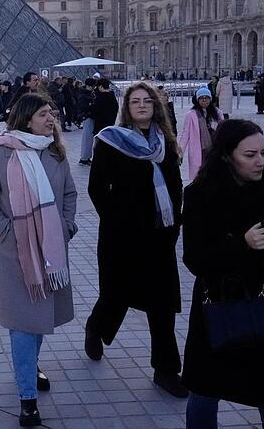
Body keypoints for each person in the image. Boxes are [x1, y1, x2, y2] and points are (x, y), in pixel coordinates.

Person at [182, 119, 264, 428]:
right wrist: (242, 244)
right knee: (204, 393)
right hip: (217, 305)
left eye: (263, 153)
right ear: (226, 154)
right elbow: (195, 259)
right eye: (250, 155)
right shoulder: (200, 194)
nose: (261, 161)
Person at [0, 93, 78, 427]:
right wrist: (6, 232)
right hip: (13, 255)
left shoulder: (54, 152)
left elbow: (70, 194)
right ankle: (27, 398)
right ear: (26, 118)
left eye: (52, 113)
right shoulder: (1, 152)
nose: (51, 119)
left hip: (48, 252)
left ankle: (29, 367)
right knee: (22, 324)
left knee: (38, 319)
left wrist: (66, 225)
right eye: (44, 114)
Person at [83, 82, 187, 398]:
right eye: (135, 101)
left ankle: (166, 370)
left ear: (156, 106)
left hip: (159, 236)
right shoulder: (110, 142)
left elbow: (176, 185)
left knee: (163, 305)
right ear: (126, 108)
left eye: (147, 101)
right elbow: (96, 189)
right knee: (116, 295)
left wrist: (174, 224)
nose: (141, 106)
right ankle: (96, 328)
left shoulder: (166, 143)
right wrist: (118, 220)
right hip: (121, 237)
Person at [179, 87, 224, 180]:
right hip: (199, 148)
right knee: (200, 173)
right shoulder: (191, 115)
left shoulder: (217, 113)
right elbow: (185, 133)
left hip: (214, 147)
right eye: (201, 98)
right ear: (197, 100)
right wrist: (180, 151)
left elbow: (223, 129)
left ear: (210, 99)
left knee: (215, 172)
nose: (204, 100)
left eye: (206, 98)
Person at [76, 78, 97, 166]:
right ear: (88, 86)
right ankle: (84, 158)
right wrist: (91, 107)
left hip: (89, 117)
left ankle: (86, 157)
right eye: (92, 86)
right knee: (87, 138)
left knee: (89, 138)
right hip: (88, 117)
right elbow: (83, 107)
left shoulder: (87, 93)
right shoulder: (84, 95)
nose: (93, 88)